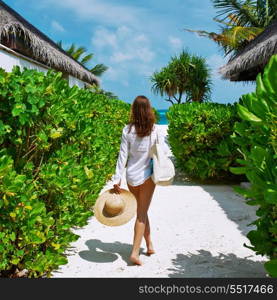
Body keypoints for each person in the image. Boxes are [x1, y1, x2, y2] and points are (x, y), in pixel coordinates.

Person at [110, 95, 168, 265]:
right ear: (149, 110)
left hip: (131, 176)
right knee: (141, 214)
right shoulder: (156, 129)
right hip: (148, 175)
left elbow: (122, 156)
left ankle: (149, 244)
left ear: (134, 110)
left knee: (141, 211)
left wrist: (117, 177)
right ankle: (135, 253)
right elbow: (162, 151)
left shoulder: (127, 130)